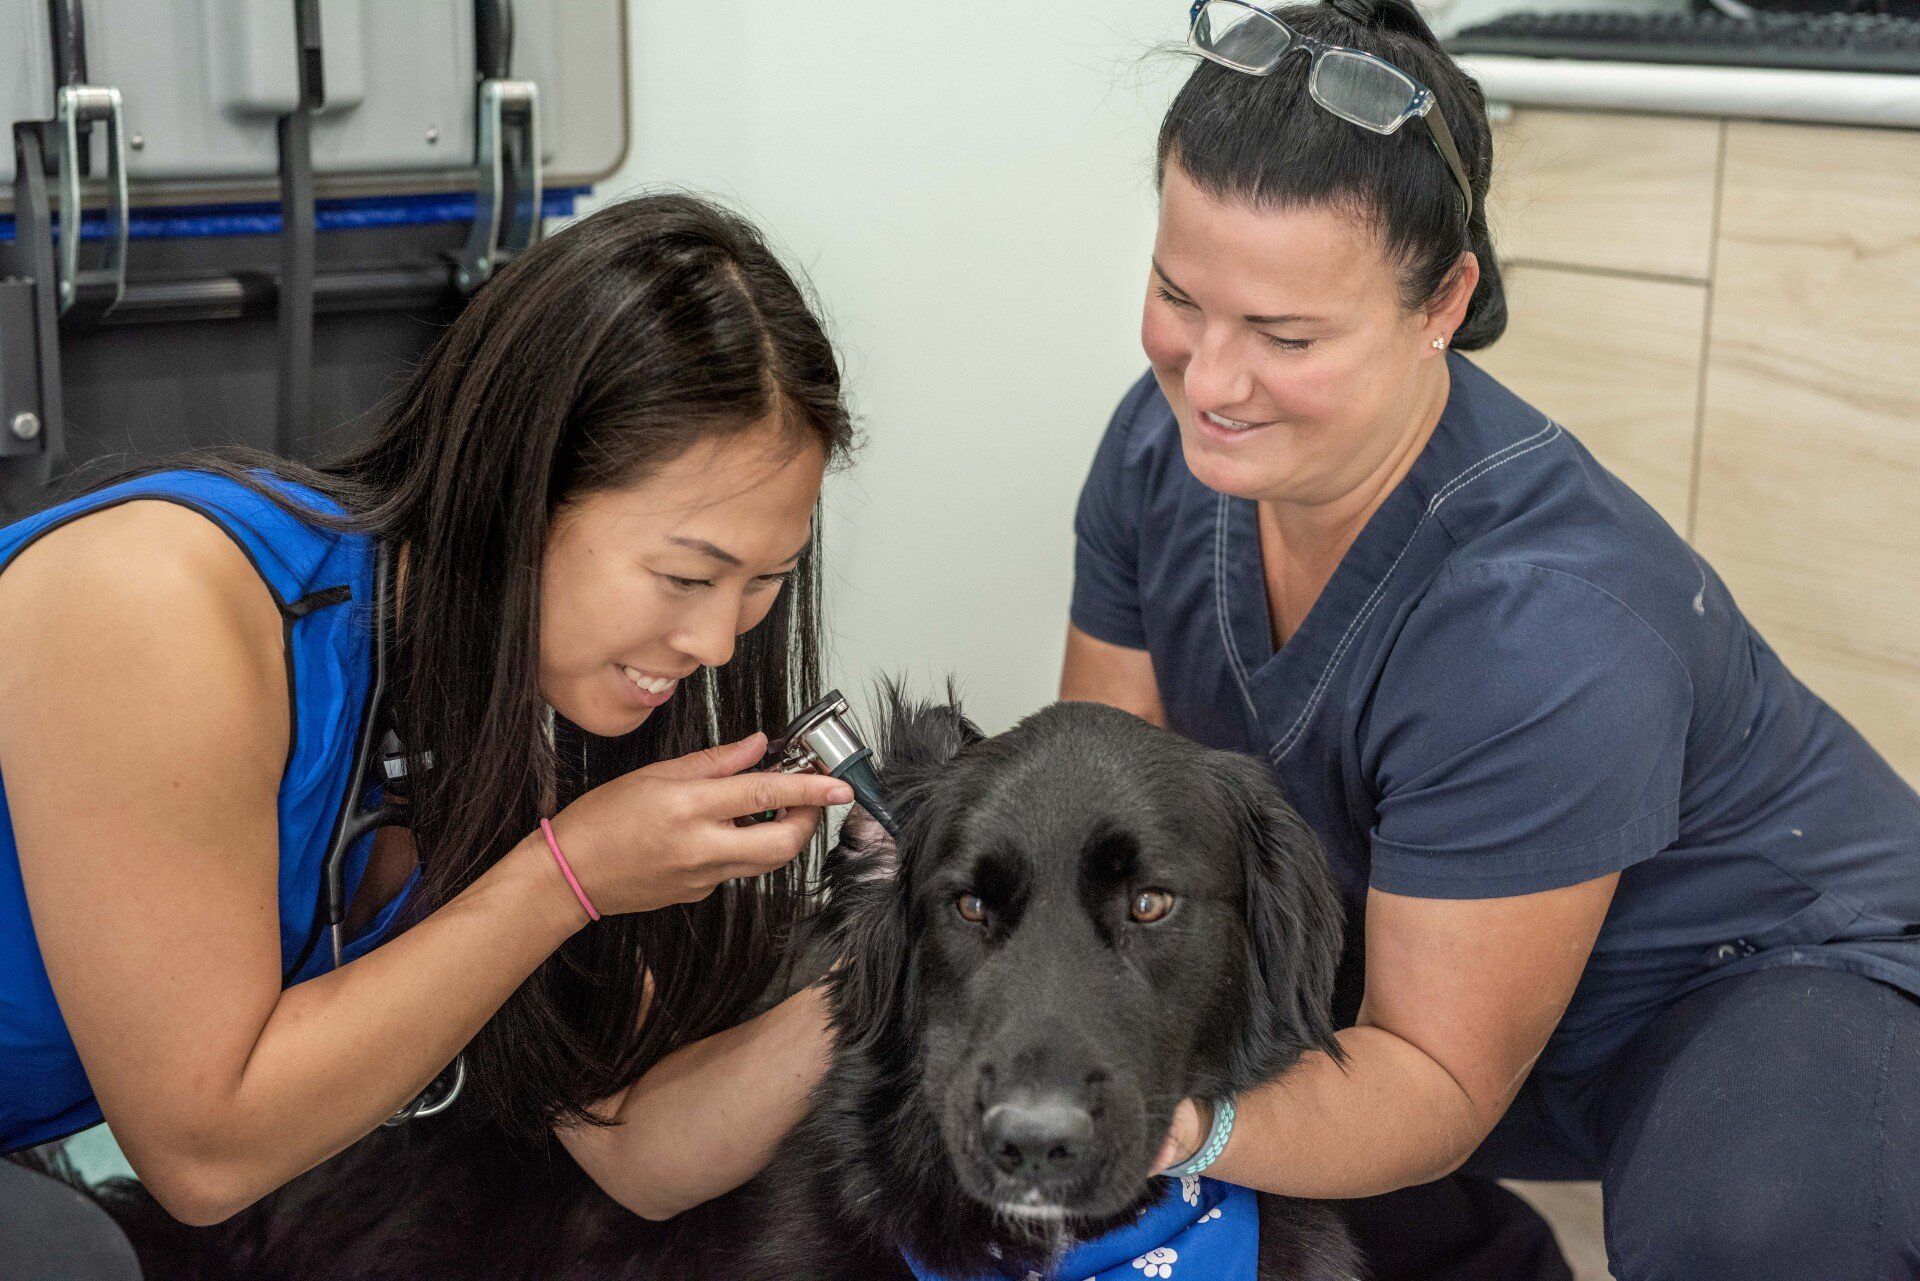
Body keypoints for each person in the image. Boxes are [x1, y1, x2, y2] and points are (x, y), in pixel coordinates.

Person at [1060, 3, 1920, 1278]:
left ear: (1443, 302)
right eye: (1181, 298)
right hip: (1438, 969)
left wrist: (1167, 1122)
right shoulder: (1160, 449)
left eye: (1288, 337)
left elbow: (1432, 1078)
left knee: (1750, 1237)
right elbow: (1103, 822)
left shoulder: (1542, 622)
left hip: (1755, 976)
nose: (1213, 381)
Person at [0, 193, 861, 1261]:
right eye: (686, 575)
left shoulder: (496, 724)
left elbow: (638, 1142)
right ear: (519, 487)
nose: (720, 644)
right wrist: (565, 876)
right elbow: (201, 1155)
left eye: (764, 583)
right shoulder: (160, 604)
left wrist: (896, 974)